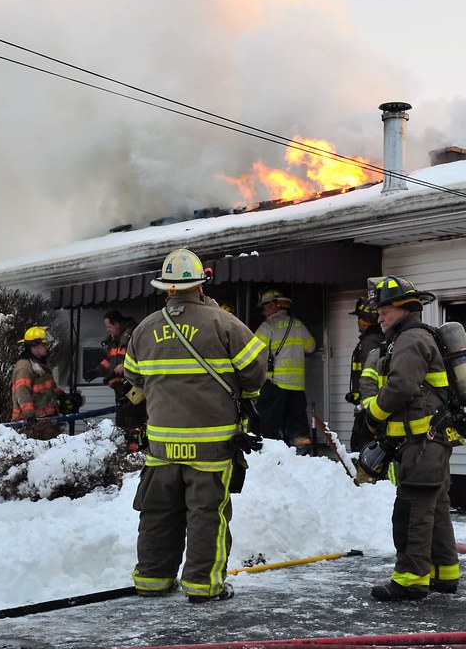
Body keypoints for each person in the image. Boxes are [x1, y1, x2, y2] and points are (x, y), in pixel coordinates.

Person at [124, 248, 267, 603]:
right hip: (211, 446)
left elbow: (133, 377)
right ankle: (204, 586)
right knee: (207, 515)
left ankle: (152, 581)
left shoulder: (145, 329)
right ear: (201, 284)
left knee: (158, 513)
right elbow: (255, 373)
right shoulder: (225, 324)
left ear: (166, 288)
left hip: (160, 446)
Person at [360, 276, 462, 601]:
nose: (379, 316)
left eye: (384, 309)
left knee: (412, 512)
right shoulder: (417, 337)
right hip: (432, 442)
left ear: (404, 308)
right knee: (436, 509)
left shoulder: (409, 340)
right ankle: (445, 575)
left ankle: (409, 581)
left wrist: (373, 414)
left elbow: (401, 387)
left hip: (421, 445)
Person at [253, 288, 316, 452]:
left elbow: (254, 352)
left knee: (269, 423)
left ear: (275, 306)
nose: (263, 312)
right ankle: (302, 452)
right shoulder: (298, 324)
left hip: (275, 385)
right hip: (296, 386)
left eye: (265, 307)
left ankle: (273, 455)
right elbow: (311, 347)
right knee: (298, 422)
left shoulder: (268, 326)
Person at [99, 310, 146, 447]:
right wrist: (98, 370)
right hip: (120, 391)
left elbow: (141, 357)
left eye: (109, 326)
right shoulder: (114, 340)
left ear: (117, 324)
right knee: (121, 425)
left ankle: (135, 455)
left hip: (135, 390)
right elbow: (111, 361)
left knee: (134, 423)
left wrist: (124, 367)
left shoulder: (134, 334)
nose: (108, 330)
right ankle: (125, 454)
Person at [346, 297, 385, 453]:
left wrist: (363, 400)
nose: (358, 323)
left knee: (360, 442)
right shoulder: (378, 339)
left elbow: (367, 375)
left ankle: (364, 476)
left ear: (366, 321)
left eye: (359, 319)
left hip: (369, 404)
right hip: (371, 401)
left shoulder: (370, 342)